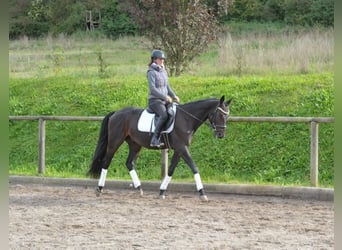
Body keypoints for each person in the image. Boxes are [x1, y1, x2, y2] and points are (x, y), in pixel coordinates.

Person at [147, 49, 180, 147]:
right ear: (154, 60)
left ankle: (168, 137)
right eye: (161, 59)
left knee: (173, 113)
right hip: (154, 101)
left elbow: (167, 86)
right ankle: (154, 139)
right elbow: (152, 89)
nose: (162, 61)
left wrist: (174, 96)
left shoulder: (163, 71)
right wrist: (165, 97)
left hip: (164, 100)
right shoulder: (151, 72)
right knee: (164, 115)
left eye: (163, 59)